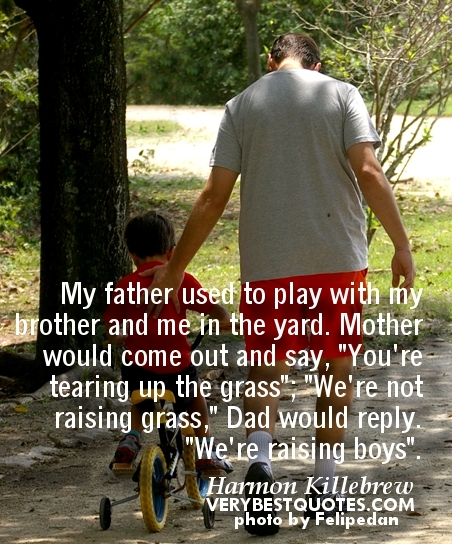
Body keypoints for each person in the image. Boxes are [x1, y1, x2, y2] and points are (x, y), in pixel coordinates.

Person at [141, 33, 415, 535]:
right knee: (335, 369)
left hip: (268, 264)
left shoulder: (242, 105)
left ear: (271, 62)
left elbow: (213, 195)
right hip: (337, 259)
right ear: (317, 65)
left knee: (266, 370)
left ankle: (261, 461)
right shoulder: (341, 94)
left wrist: (176, 268)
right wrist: (401, 244)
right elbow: (369, 170)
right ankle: (325, 485)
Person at [104, 211, 233, 474]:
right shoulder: (182, 281)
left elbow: (113, 329)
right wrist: (225, 320)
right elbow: (215, 310)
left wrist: (119, 336)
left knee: (140, 402)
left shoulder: (125, 285)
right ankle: (206, 448)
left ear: (132, 255)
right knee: (195, 397)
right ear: (172, 252)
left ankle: (130, 441)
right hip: (177, 369)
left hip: (138, 370)